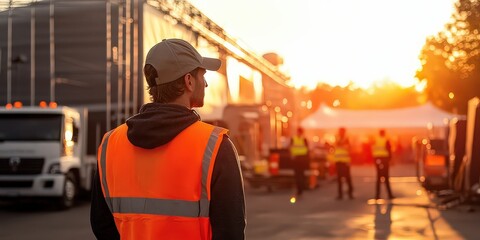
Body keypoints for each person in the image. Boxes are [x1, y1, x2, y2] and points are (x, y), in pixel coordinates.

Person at [90, 38, 246, 240]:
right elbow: (231, 231)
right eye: (202, 75)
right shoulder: (215, 146)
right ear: (188, 81)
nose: (206, 83)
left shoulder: (111, 145)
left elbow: (102, 225)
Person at [373, 129, 395, 199]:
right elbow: (389, 150)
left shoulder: (376, 140)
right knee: (386, 177)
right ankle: (389, 195)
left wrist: (374, 160)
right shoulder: (386, 140)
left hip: (377, 159)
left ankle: (377, 195)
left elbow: (373, 149)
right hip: (384, 160)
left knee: (378, 177)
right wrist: (390, 159)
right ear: (384, 133)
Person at [333, 127, 354, 200]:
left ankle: (350, 193)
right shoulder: (336, 138)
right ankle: (340, 194)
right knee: (339, 178)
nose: (341, 133)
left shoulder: (347, 139)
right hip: (338, 161)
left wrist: (342, 145)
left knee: (347, 178)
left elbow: (349, 148)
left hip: (345, 161)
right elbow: (335, 147)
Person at [290, 127, 310, 197]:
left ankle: (301, 189)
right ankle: (299, 189)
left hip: (302, 159)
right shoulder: (293, 138)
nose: (299, 133)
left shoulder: (304, 139)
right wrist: (292, 155)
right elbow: (291, 148)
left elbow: (307, 149)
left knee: (301, 174)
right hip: (296, 159)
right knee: (297, 175)